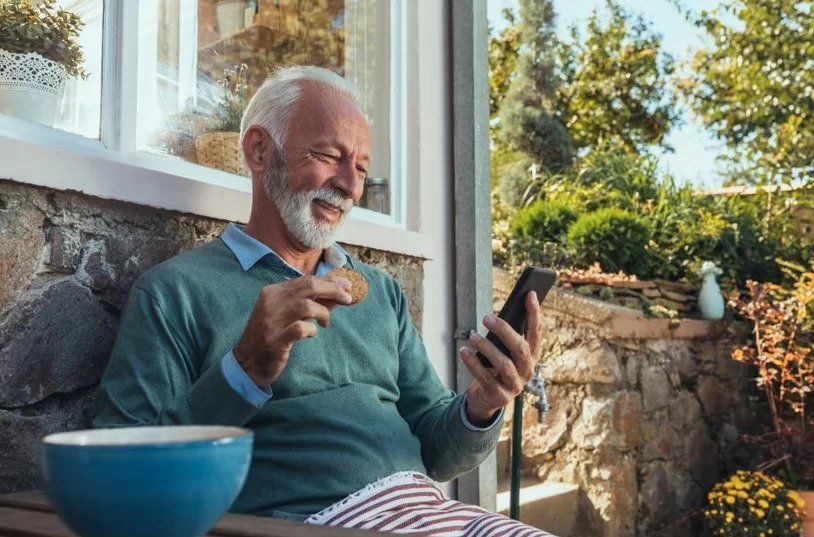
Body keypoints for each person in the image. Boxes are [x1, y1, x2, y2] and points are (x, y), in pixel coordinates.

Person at [94, 66, 549, 536]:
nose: (351, 187)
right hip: (306, 523)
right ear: (258, 150)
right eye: (330, 156)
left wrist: (484, 404)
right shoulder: (176, 292)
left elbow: (438, 452)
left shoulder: (382, 293)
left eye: (362, 168)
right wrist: (243, 371)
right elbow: (121, 472)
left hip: (426, 512)